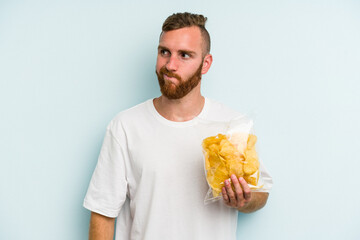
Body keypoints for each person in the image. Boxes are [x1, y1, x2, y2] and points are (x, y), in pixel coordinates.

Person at [83, 12, 270, 240]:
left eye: (184, 55)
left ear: (205, 63)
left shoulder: (231, 125)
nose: (170, 65)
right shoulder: (125, 126)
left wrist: (246, 199)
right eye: (164, 52)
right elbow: (102, 212)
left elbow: (261, 192)